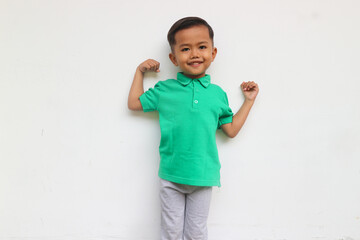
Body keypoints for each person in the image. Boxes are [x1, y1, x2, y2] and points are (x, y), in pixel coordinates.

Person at [128, 16, 259, 240]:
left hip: (203, 176)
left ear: (213, 53)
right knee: (171, 232)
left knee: (197, 233)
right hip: (171, 175)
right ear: (174, 57)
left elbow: (231, 130)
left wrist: (248, 101)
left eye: (202, 47)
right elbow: (134, 104)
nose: (195, 54)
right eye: (186, 49)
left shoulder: (217, 94)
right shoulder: (165, 90)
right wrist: (139, 72)